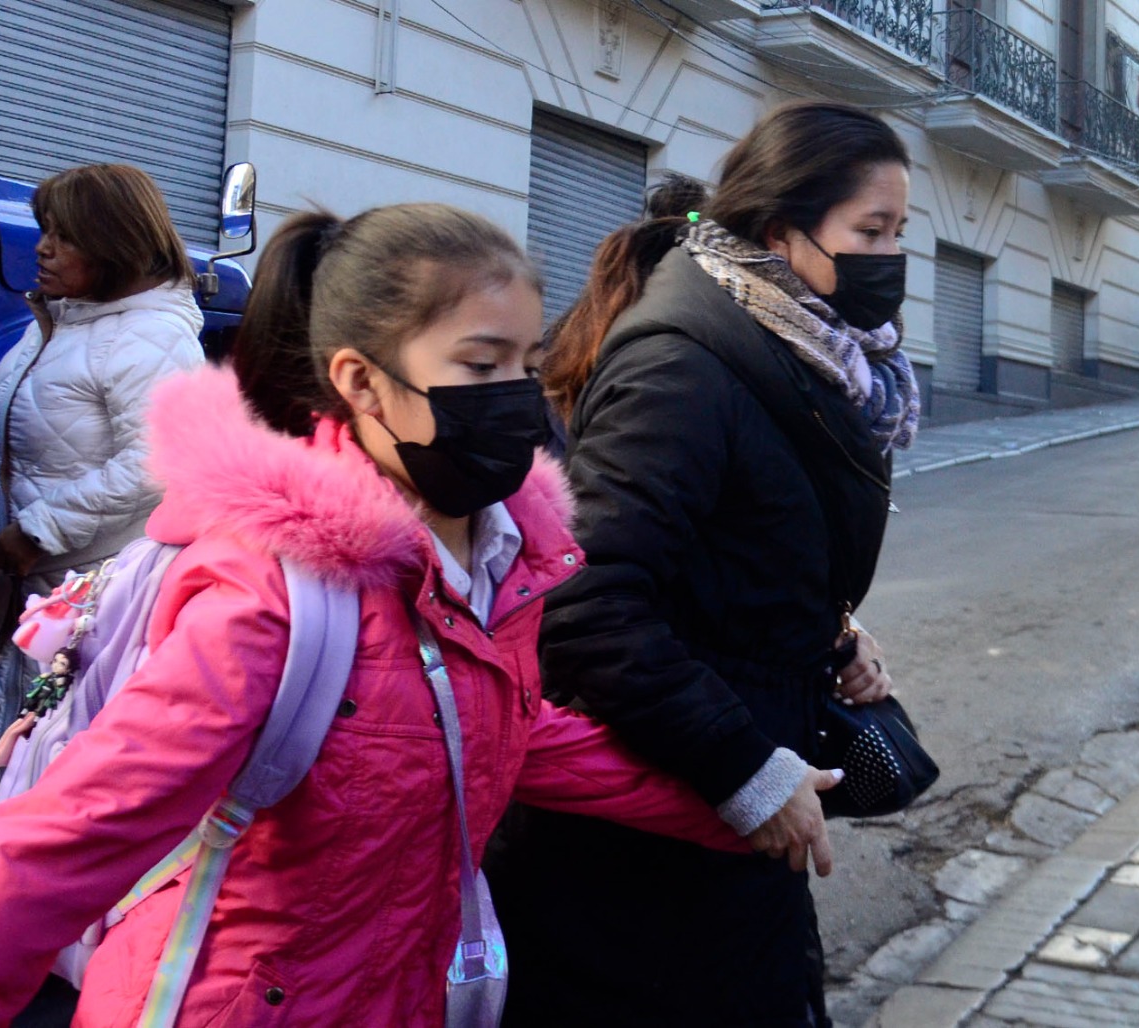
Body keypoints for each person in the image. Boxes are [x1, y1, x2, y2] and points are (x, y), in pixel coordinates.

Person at [0, 203, 761, 1026]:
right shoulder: (273, 594)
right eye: (480, 364)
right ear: (359, 381)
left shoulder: (492, 558)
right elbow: (66, 837)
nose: (518, 398)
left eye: (525, 361)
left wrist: (751, 793)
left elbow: (498, 730)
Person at [486, 100, 919, 1027]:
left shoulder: (798, 348)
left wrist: (828, 628)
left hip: (734, 798)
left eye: (901, 231)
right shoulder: (686, 364)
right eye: (871, 231)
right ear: (780, 231)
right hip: (657, 834)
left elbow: (739, 546)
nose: (892, 258)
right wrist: (744, 769)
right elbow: (585, 602)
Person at [0, 163, 206, 812]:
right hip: (35, 589)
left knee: (61, 777)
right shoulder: (58, 322)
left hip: (95, 603)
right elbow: (6, 445)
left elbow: (156, 459)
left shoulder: (154, 336)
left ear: (115, 243)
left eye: (64, 235)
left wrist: (39, 530)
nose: (42, 247)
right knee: (14, 754)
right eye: (44, 230)